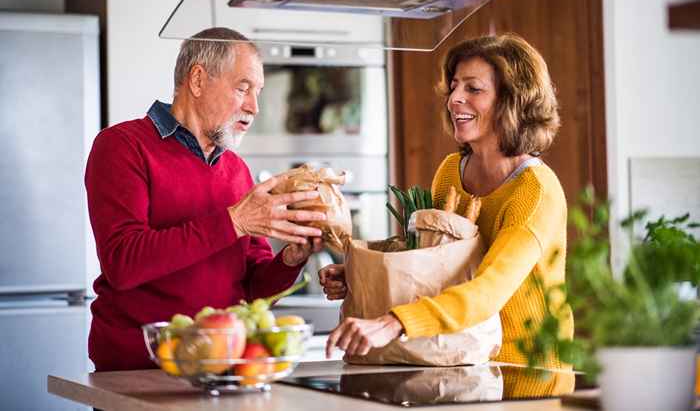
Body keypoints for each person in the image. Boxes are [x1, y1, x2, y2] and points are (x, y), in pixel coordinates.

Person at [321, 33, 573, 369]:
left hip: (528, 373)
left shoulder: (535, 191)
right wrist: (363, 277)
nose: (454, 98)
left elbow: (488, 289)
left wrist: (393, 322)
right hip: (464, 361)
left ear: (512, 100)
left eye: (473, 88)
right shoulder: (451, 172)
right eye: (454, 86)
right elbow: (434, 263)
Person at [85, 28, 326, 371]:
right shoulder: (122, 146)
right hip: (139, 369)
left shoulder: (236, 169)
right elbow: (123, 263)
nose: (254, 107)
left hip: (225, 364)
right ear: (197, 79)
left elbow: (254, 287)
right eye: (243, 88)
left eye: (257, 92)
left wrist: (291, 258)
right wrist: (233, 222)